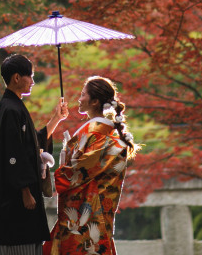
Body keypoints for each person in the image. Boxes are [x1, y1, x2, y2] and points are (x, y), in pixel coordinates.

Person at [0, 54, 68, 255]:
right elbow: (13, 154)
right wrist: (25, 191)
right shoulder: (10, 108)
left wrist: (56, 118)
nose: (33, 81)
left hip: (18, 191)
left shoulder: (13, 106)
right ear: (17, 77)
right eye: (30, 76)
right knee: (17, 242)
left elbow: (30, 144)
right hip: (15, 196)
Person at [44, 76, 138, 255]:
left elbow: (82, 168)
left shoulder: (97, 131)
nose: (79, 99)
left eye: (83, 95)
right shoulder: (102, 131)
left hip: (87, 208)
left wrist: (64, 169)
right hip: (93, 207)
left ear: (95, 102)